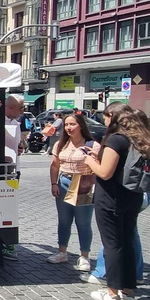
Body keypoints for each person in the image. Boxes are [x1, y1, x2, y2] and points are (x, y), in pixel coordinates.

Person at [83, 102, 150, 300]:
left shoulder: (116, 140)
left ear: (112, 116)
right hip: (132, 196)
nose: (104, 120)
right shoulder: (137, 139)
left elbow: (104, 172)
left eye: (105, 116)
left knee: (112, 245)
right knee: (127, 243)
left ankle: (112, 293)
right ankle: (128, 292)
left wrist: (89, 160)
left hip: (111, 198)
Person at [48, 114, 99, 271]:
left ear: (81, 126)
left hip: (84, 183)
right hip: (64, 181)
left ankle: (84, 256)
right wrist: (54, 183)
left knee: (83, 222)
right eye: (67, 124)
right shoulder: (61, 144)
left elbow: (98, 167)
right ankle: (62, 252)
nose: (69, 128)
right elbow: (55, 165)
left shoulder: (93, 145)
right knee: (64, 220)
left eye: (72, 124)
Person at [0, 94, 25, 261]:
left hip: (13, 168)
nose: (23, 111)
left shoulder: (15, 122)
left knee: (9, 205)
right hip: (1, 170)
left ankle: (7, 243)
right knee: (3, 206)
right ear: (10, 108)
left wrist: (21, 146)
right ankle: (5, 243)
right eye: (21, 108)